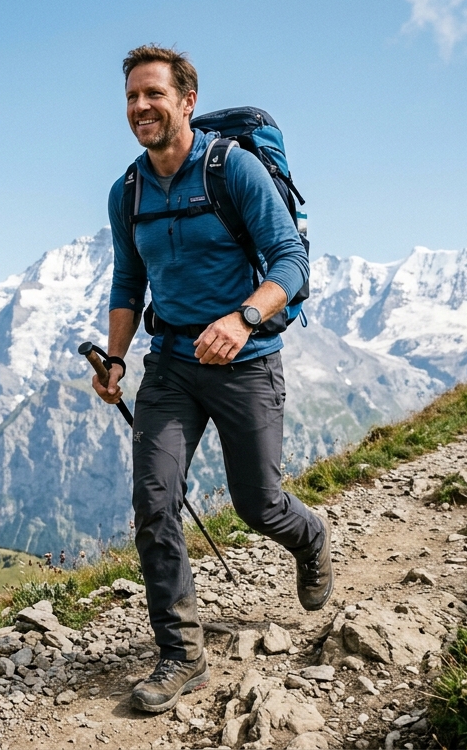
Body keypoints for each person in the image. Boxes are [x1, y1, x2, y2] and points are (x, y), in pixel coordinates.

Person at [92, 44, 334, 715]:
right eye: (132, 96)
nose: (141, 107)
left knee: (259, 506)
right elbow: (127, 280)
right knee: (154, 502)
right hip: (169, 366)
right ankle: (181, 655)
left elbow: (291, 263)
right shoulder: (127, 191)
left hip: (244, 365)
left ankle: (310, 537)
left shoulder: (235, 170)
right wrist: (114, 361)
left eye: (154, 95)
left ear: (186, 101)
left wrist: (243, 318)